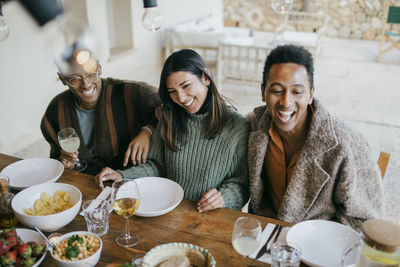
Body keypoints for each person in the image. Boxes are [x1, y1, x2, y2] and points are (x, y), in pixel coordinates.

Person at [247, 45, 384, 230]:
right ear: (263, 92)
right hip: (262, 239)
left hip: (321, 247)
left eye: (297, 92)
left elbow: (366, 221)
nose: (286, 102)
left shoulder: (344, 145)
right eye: (277, 90)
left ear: (311, 94)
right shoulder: (252, 126)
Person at [95, 49, 250, 212]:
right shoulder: (169, 117)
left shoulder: (237, 126)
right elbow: (157, 167)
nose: (181, 98)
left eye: (186, 85)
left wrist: (223, 197)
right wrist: (122, 177)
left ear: (205, 77)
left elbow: (242, 185)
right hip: (169, 211)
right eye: (172, 92)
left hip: (210, 218)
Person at [41, 60, 161, 175]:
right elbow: (55, 160)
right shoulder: (55, 112)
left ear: (99, 67)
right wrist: (64, 163)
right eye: (74, 78)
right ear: (62, 78)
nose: (86, 84)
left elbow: (170, 106)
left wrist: (148, 130)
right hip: (85, 184)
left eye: (90, 73)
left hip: (129, 180)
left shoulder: (131, 93)